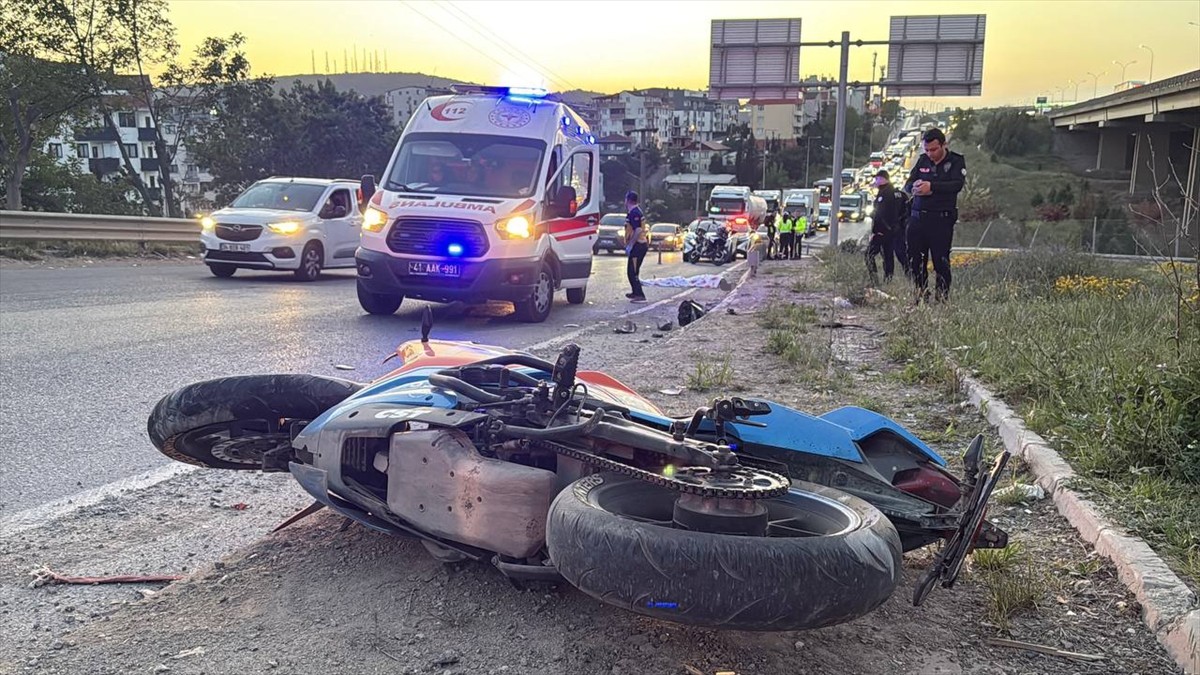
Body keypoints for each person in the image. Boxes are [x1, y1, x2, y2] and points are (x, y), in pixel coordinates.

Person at [904, 128, 966, 303]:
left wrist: (932, 187)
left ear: (943, 145)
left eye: (934, 149)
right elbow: (908, 184)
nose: (930, 154)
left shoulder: (955, 161)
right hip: (918, 218)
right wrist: (914, 187)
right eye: (927, 150)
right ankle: (920, 294)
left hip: (941, 219)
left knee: (941, 262)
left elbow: (957, 185)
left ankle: (942, 298)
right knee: (915, 260)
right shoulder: (923, 160)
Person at [865, 170, 902, 286]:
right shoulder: (893, 192)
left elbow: (881, 214)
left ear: (883, 179)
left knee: (868, 255)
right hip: (892, 230)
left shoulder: (885, 193)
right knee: (888, 256)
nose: (875, 182)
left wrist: (877, 231)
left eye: (877, 179)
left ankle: (874, 280)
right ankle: (887, 281)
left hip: (883, 231)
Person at [624, 191, 649, 303]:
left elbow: (638, 230)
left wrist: (631, 244)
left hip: (638, 246)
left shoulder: (634, 213)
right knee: (634, 270)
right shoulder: (635, 211)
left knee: (632, 271)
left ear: (628, 200)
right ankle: (635, 292)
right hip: (639, 245)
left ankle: (640, 295)